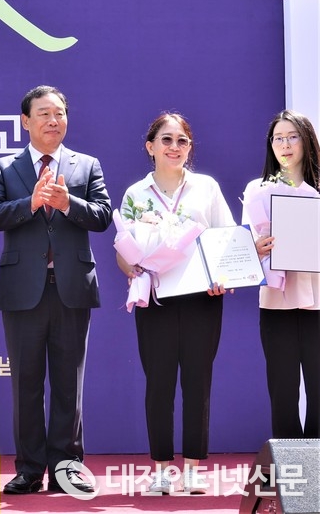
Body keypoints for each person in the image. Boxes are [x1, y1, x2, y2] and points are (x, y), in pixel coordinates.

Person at [0, 85, 111, 495]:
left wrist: (69, 203)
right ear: (26, 121)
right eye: (44, 114)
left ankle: (67, 467)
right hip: (23, 290)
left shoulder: (86, 165)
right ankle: (30, 468)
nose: (53, 121)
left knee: (70, 384)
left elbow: (103, 216)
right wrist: (31, 204)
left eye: (59, 113)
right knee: (26, 383)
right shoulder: (5, 168)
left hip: (71, 287)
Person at [116, 112, 234, 494]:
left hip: (202, 298)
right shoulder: (136, 194)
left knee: (198, 382)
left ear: (189, 147)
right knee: (159, 384)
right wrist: (132, 268)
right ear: (150, 147)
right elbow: (123, 251)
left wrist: (224, 277)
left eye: (182, 140)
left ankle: (194, 468)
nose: (174, 147)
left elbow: (227, 240)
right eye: (166, 140)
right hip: (156, 299)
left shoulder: (206, 188)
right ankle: (162, 470)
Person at [243, 110, 320, 439]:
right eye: (278, 138)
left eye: (292, 137)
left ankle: (317, 466)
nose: (285, 145)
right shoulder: (257, 190)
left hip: (318, 302)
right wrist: (255, 248)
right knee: (283, 392)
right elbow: (244, 248)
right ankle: (293, 468)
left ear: (307, 140)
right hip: (276, 303)